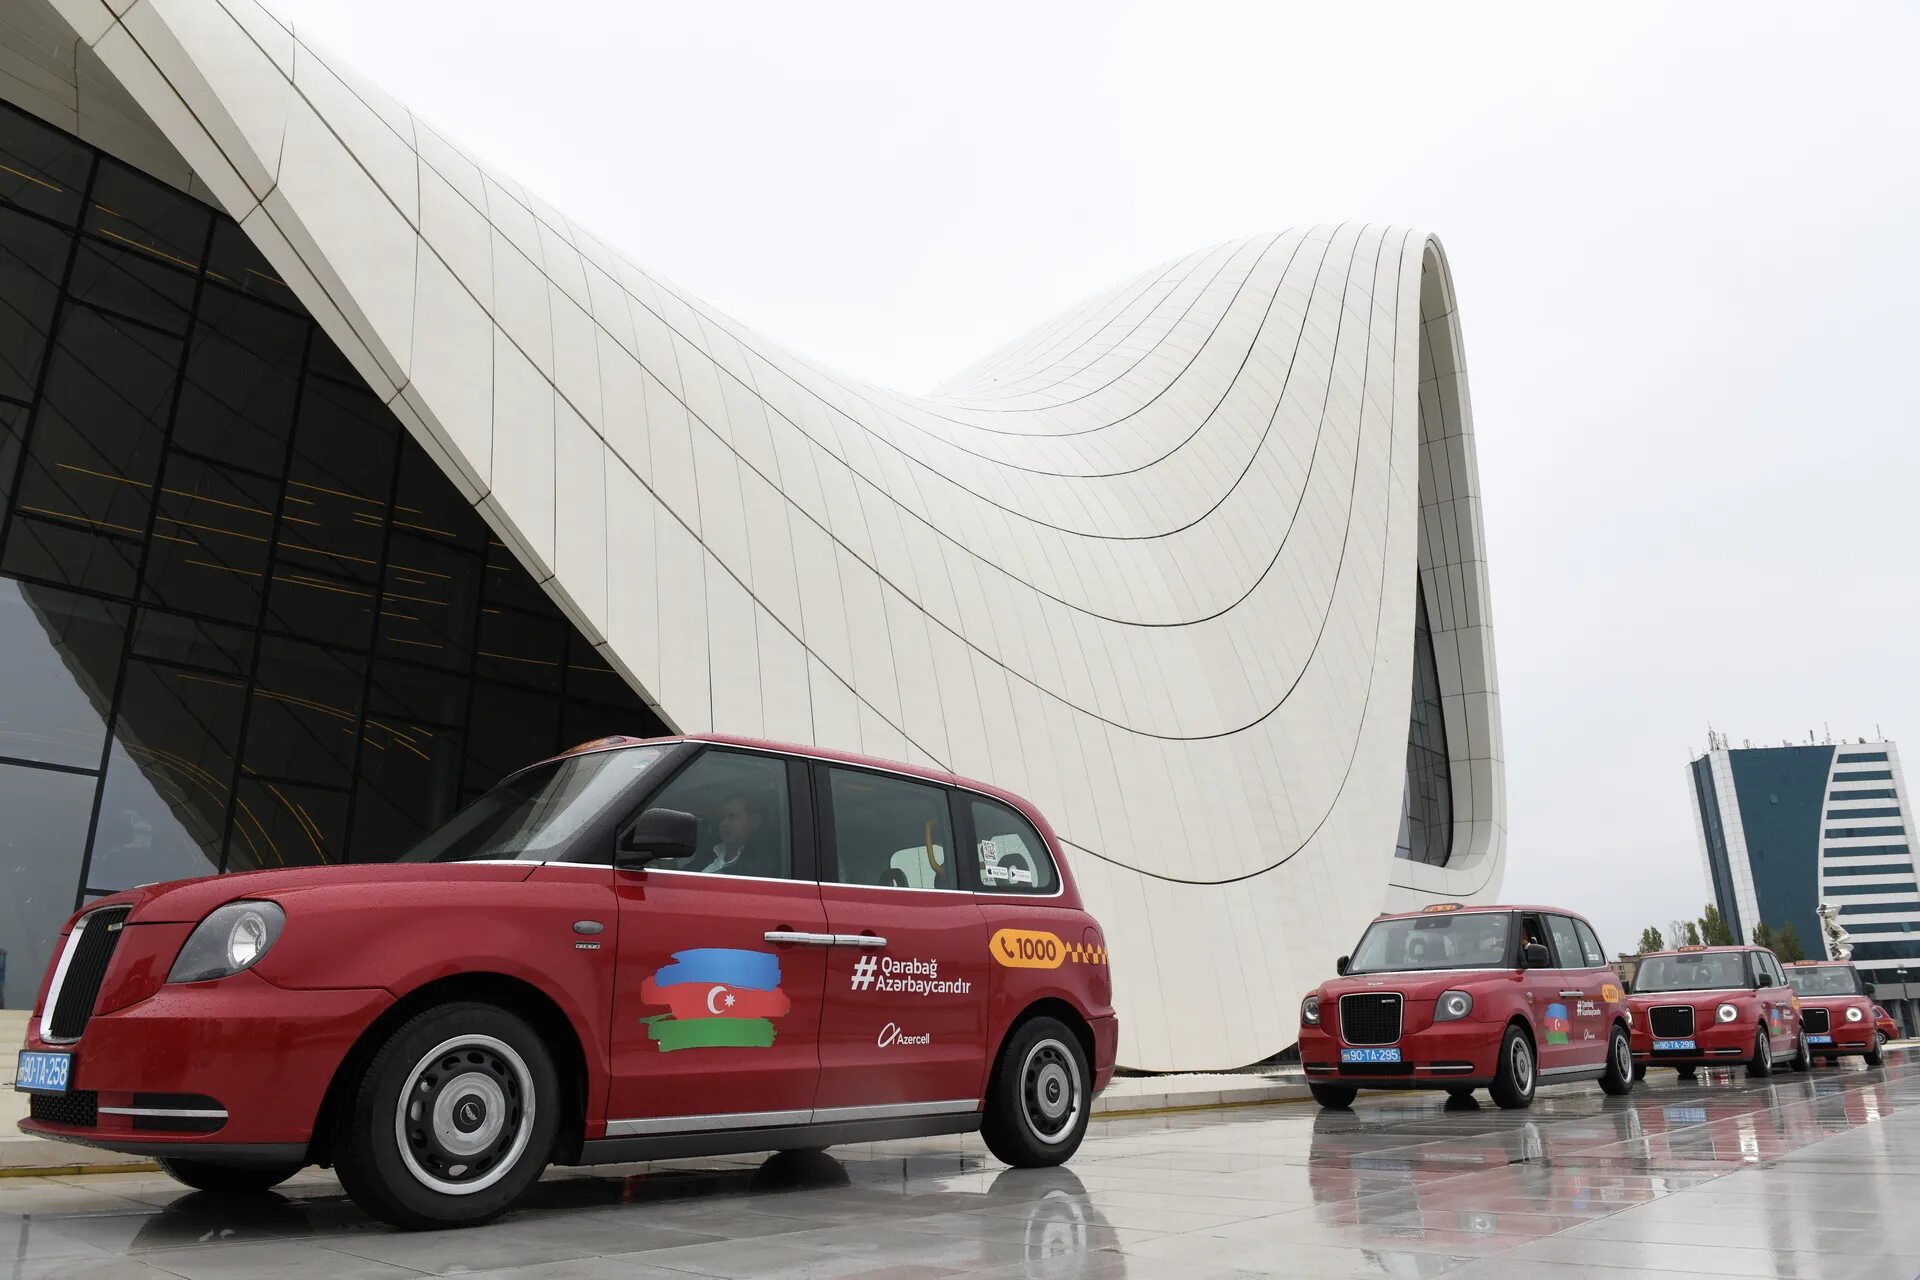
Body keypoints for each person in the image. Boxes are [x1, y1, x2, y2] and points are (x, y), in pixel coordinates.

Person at [691, 791, 781, 878]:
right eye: (721, 818)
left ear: (754, 821)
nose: (725, 823)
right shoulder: (708, 852)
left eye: (733, 816)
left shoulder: (763, 861)